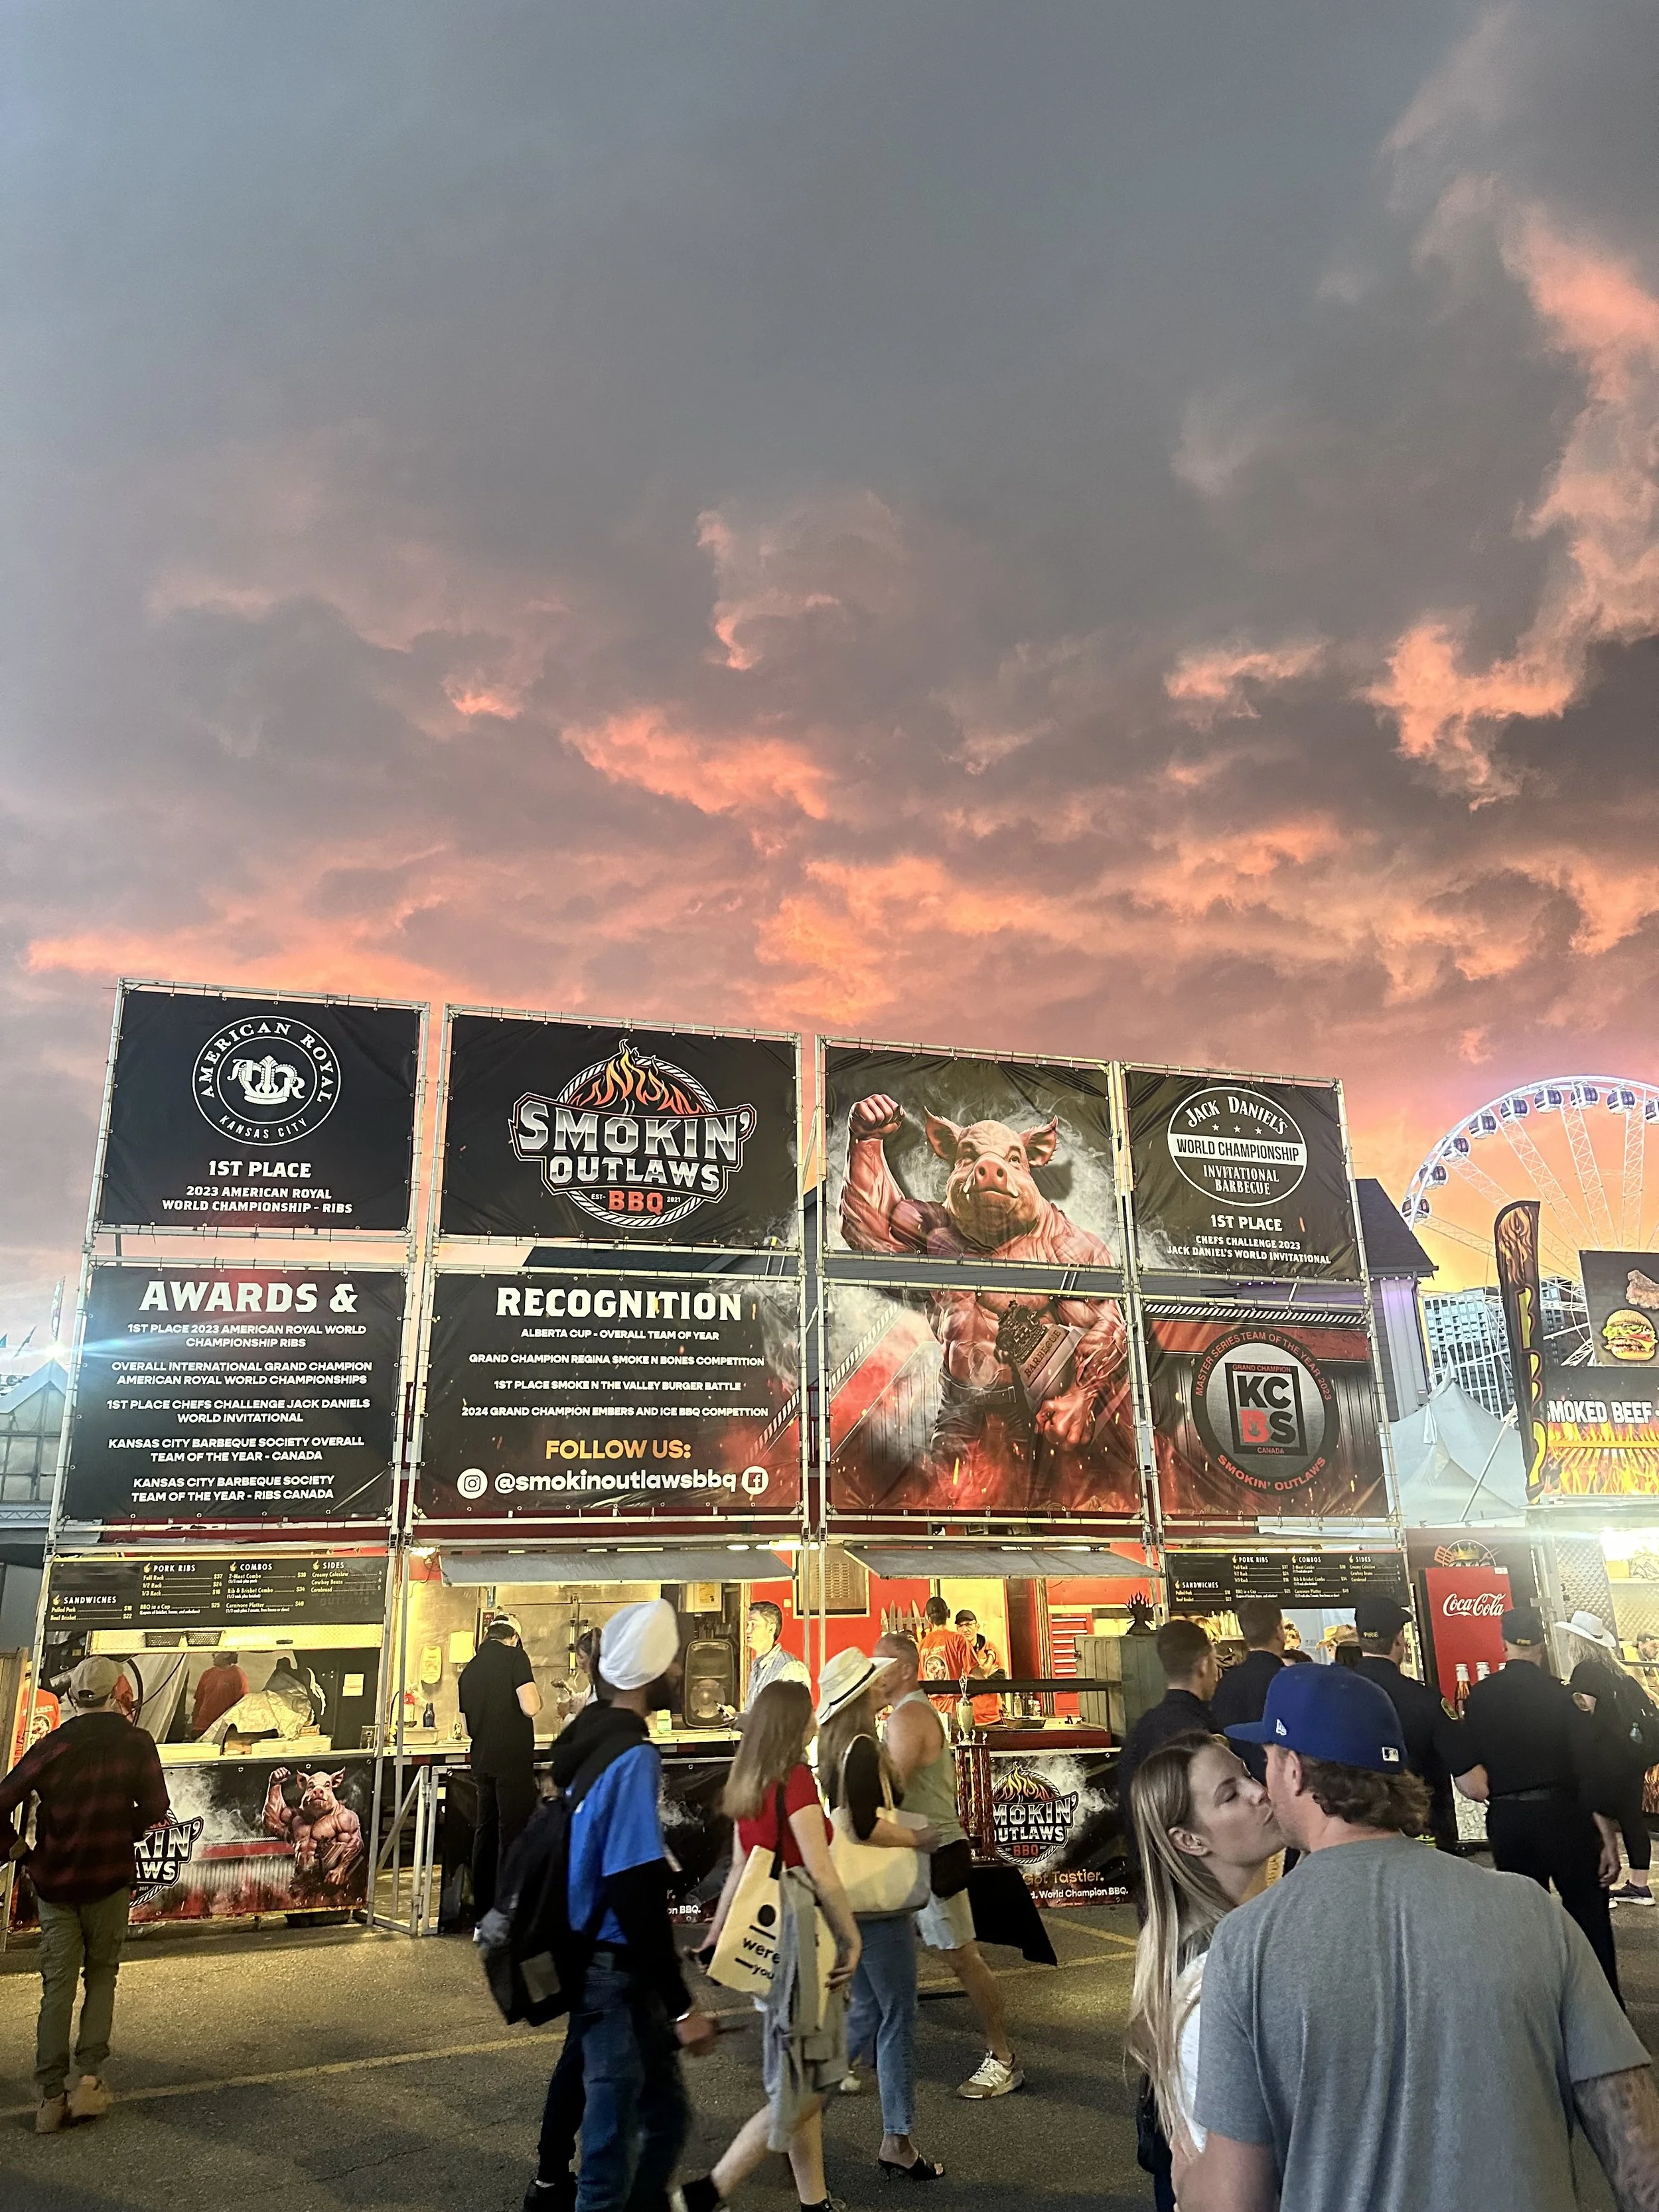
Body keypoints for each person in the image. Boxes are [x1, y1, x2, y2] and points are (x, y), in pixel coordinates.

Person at [1179, 1662, 1659, 2212]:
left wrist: (1188, 2175)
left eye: (1265, 1761)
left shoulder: (1248, 1945)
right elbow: (1641, 2157)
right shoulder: (1532, 1913)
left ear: (1291, 1770)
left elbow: (1234, 2201)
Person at [530, 1598, 716, 2212]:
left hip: (586, 1952)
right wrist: (682, 2002)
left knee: (661, 2116)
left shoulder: (587, 1738)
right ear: (650, 1674)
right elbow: (634, 1889)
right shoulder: (633, 1755)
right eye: (672, 1667)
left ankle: (555, 2184)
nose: (680, 1678)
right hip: (615, 1965)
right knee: (615, 2143)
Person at [680, 1680, 861, 2212]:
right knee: (805, 2084)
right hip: (801, 1935)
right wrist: (852, 1938)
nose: (815, 1721)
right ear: (793, 1723)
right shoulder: (797, 1780)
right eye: (809, 1713)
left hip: (761, 1939)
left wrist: (717, 1940)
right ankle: (709, 2190)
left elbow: (740, 1868)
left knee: (795, 2069)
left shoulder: (750, 1778)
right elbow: (821, 1871)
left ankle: (814, 2199)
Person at [0, 1655, 170, 2134]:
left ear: (75, 1695)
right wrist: (126, 1828)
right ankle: (89, 2081)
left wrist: (15, 1847)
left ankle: (50, 2098)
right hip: (110, 1879)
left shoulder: (53, 1745)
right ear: (120, 1691)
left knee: (56, 1988)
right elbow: (157, 1806)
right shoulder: (136, 1742)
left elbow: (2, 1798)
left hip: (55, 1882)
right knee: (102, 1977)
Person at [1123, 1732, 1283, 2212]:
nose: (1259, 1791)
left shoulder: (1242, 1934)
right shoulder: (1216, 1974)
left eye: (1248, 1775)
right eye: (1230, 1794)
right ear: (1189, 1840)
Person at [873, 1631, 1022, 2100]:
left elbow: (887, 1788)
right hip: (909, 1850)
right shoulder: (903, 1714)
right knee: (867, 1946)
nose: (872, 1670)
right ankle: (859, 2045)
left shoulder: (911, 1715)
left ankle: (1003, 2058)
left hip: (930, 1851)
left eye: (880, 1662)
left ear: (903, 1669)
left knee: (961, 1956)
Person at [816, 1647, 946, 2182]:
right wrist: (918, 1836)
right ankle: (897, 2137)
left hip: (848, 1895)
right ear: (860, 1694)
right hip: (878, 1897)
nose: (881, 1684)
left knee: (867, 2013)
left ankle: (797, 2114)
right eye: (872, 1680)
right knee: (897, 2015)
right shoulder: (864, 1747)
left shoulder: (832, 1746)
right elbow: (865, 1825)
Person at [1454, 1601, 1624, 1996]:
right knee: (1588, 1915)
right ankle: (1604, 2011)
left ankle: (1535, 2005)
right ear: (1542, 1645)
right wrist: (1608, 1838)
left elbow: (1472, 1776)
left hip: (1510, 1819)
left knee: (1524, 1919)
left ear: (1505, 1645)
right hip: (1566, 1816)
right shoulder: (1562, 1697)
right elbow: (1588, 1769)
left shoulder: (1479, 1697)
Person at [1352, 1592, 1463, 1852]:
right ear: (1399, 1640)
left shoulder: (1333, 1695)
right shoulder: (1424, 1698)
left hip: (1355, 1835)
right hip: (1423, 1834)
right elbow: (1471, 1781)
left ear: (1360, 1641)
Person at [1561, 1607, 1657, 1907]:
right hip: (1630, 1758)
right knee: (1631, 1818)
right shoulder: (1619, 1673)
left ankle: (1603, 1886)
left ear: (1578, 1642)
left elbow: (1584, 1713)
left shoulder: (1585, 1671)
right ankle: (1639, 1886)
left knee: (1596, 1816)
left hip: (1601, 1759)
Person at [1114, 1619, 1220, 1873]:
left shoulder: (1143, 1727)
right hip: (1195, 1873)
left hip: (1150, 1868)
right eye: (1216, 1662)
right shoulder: (1200, 1730)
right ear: (1204, 1664)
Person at [460, 1614, 542, 1919]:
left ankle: (485, 1911)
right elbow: (530, 1706)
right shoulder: (515, 1657)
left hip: (482, 1760)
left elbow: (469, 1728)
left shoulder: (469, 1670)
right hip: (513, 1759)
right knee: (514, 1831)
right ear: (514, 1638)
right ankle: (514, 1909)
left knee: (486, 1832)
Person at [1205, 1601, 1284, 1771]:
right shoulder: (1287, 1680)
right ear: (1279, 1631)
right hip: (1281, 1781)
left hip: (1237, 1779)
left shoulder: (1226, 1683)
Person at [742, 1601, 810, 1711]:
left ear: (771, 1629)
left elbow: (796, 1717)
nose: (747, 1630)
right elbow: (753, 1715)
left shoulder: (791, 1668)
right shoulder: (756, 1665)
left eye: (753, 1625)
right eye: (747, 1625)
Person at [916, 1598, 974, 1719]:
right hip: (955, 1708)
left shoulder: (922, 1645)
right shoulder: (958, 1639)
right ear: (948, 1614)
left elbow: (921, 1682)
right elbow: (976, 1672)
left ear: (929, 1619)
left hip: (931, 1711)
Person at [954, 1610, 1002, 1727]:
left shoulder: (990, 1648)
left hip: (993, 1718)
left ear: (977, 1626)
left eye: (969, 1625)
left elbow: (1000, 1679)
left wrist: (973, 1681)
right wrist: (985, 1676)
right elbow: (957, 1687)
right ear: (957, 1629)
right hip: (966, 1719)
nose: (965, 1630)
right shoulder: (955, 1653)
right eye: (961, 1626)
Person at [189, 1650, 248, 1738]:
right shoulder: (207, 1674)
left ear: (226, 1654)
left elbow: (241, 1706)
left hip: (222, 1729)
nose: (213, 1655)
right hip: (201, 1727)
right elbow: (199, 1700)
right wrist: (194, 1724)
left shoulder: (239, 1676)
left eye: (216, 1653)